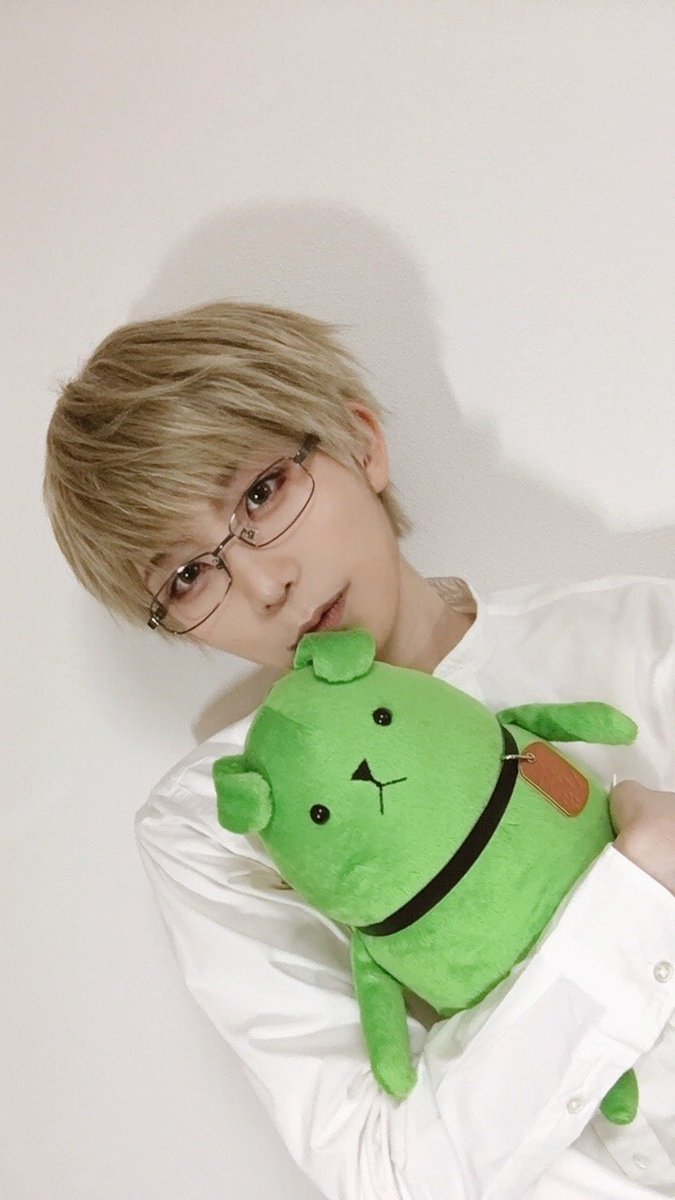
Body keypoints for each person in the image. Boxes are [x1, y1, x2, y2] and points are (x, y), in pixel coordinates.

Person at [44, 301, 675, 1199]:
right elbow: (387, 1171)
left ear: (362, 443)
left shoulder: (641, 633)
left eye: (261, 492)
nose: (263, 584)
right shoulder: (217, 822)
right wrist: (638, 884)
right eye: (186, 577)